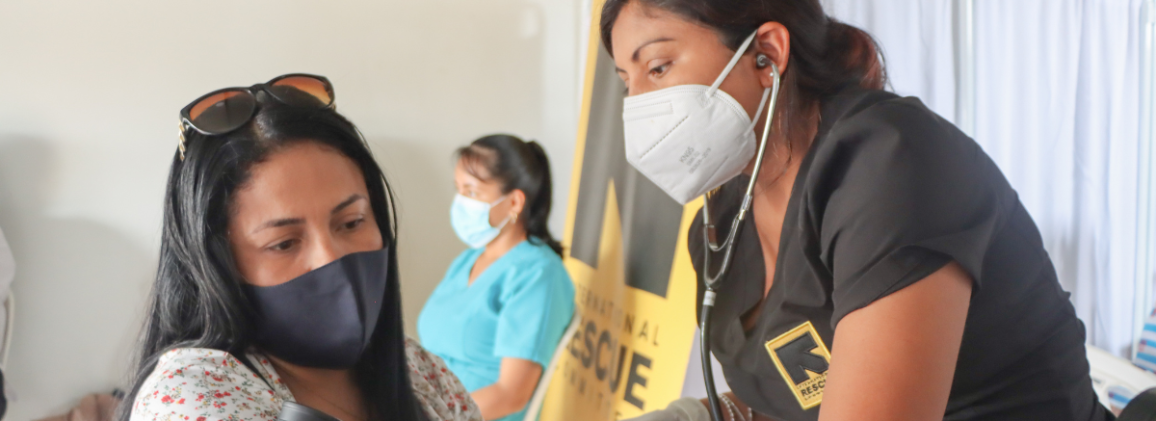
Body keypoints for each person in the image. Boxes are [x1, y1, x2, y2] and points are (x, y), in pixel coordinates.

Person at [603, 1, 1110, 421]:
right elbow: (795, 390)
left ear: (766, 54)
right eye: (627, 81)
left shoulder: (890, 164)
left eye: (658, 67)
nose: (638, 103)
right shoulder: (719, 228)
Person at [119, 74, 482, 421]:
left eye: (352, 223)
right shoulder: (193, 396)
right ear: (218, 263)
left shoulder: (421, 373)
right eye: (284, 243)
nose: (331, 257)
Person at [418, 134, 576, 421]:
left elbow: (511, 394)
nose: (461, 202)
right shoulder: (467, 261)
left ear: (514, 202)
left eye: (472, 192)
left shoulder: (538, 274)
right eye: (459, 190)